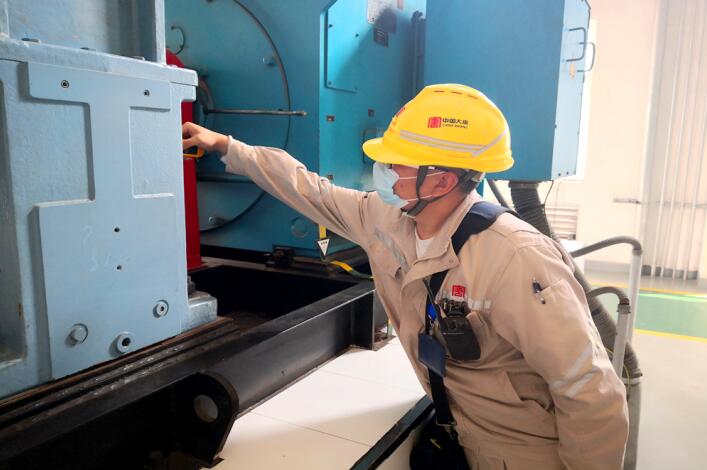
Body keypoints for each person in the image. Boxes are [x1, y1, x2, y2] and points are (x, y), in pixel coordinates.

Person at [182, 84, 629, 469]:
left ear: (441, 182)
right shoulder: (387, 219)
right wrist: (225, 146)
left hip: (522, 453)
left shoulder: (516, 259)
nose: (384, 171)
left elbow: (590, 390)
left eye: (397, 163)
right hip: (457, 429)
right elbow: (308, 189)